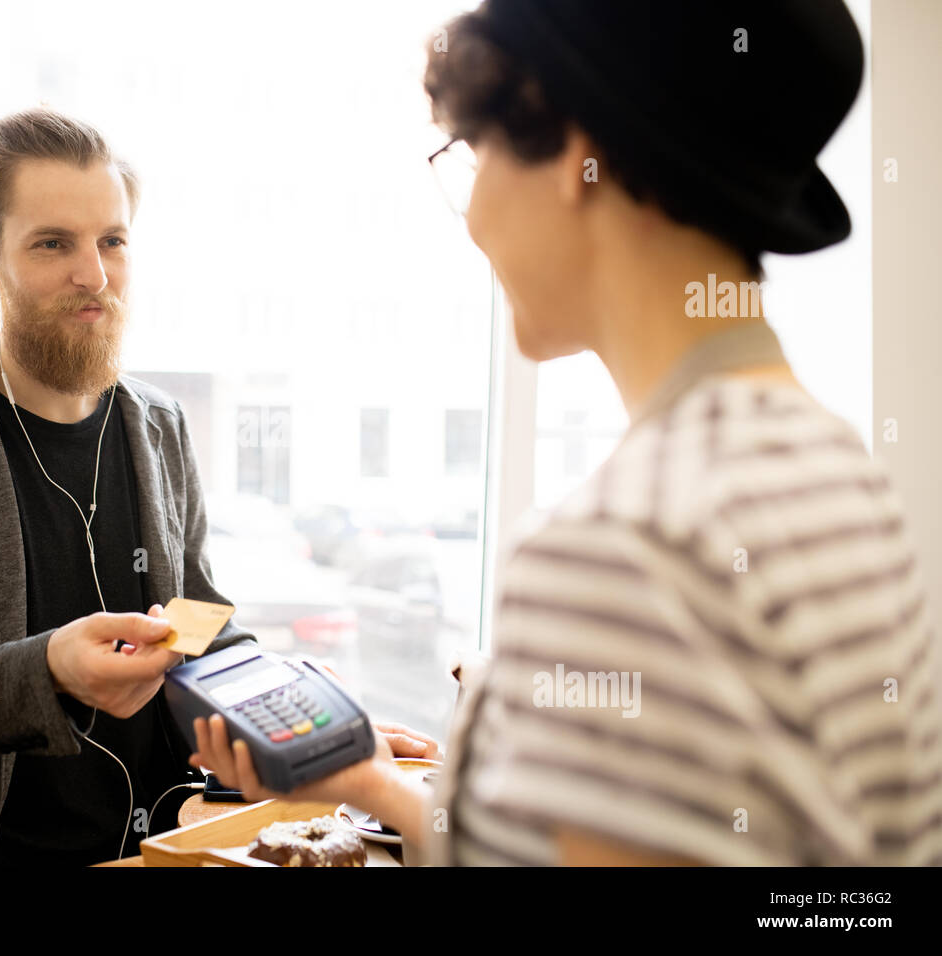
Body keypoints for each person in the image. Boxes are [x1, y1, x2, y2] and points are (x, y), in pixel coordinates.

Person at [192, 0, 942, 866]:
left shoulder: (623, 542)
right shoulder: (840, 474)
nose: (471, 218)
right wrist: (373, 785)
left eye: (473, 155)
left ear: (573, 154)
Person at [0, 107, 440, 866]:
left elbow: (198, 622)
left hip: (155, 850)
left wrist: (307, 720)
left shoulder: (163, 423)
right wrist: (47, 671)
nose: (94, 275)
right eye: (53, 244)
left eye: (112, 241)